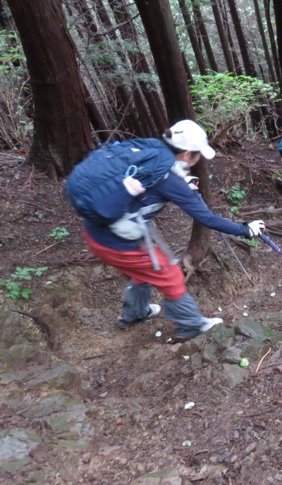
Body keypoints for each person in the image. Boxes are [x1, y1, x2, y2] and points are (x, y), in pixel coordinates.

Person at [81, 120, 266, 339]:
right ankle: (191, 325)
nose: (197, 161)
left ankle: (134, 313)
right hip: (115, 240)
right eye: (197, 156)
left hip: (98, 230)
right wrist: (245, 229)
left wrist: (180, 185)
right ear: (188, 154)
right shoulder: (171, 180)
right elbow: (206, 218)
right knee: (169, 275)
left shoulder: (151, 154)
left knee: (145, 270)